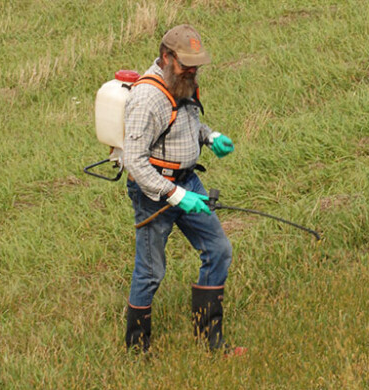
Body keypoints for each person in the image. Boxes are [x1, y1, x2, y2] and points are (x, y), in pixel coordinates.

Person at [122, 24, 243, 356]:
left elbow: (184, 122)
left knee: (218, 250)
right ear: (166, 56)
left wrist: (209, 136)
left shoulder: (183, 81)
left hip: (188, 182)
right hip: (153, 193)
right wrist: (174, 195)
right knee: (150, 272)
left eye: (196, 63)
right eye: (186, 63)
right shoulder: (146, 97)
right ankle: (137, 350)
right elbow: (134, 161)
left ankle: (210, 341)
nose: (193, 69)